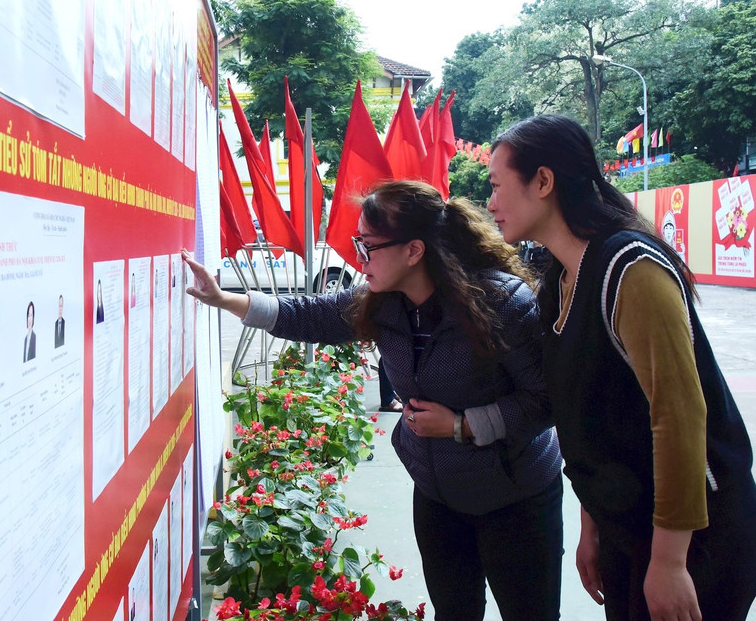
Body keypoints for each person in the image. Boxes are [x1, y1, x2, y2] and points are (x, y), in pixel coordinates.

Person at [183, 180, 564, 621]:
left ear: (414, 251)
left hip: (516, 497)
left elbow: (547, 399)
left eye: (368, 246)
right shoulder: (381, 303)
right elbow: (310, 315)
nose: (358, 259)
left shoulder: (503, 303)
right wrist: (222, 298)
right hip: (439, 495)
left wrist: (463, 424)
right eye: (357, 244)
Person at [487, 114, 756, 621]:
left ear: (542, 182)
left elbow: (679, 416)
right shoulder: (561, 281)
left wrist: (670, 562)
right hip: (627, 526)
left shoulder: (630, 269)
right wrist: (592, 527)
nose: (491, 203)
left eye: (497, 186)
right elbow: (588, 421)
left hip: (696, 537)